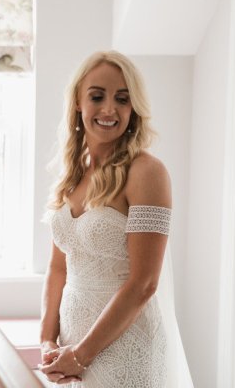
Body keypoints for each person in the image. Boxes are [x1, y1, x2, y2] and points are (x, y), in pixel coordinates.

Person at [39, 50, 188, 387]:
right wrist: (48, 339)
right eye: (97, 96)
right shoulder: (70, 175)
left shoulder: (147, 172)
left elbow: (144, 284)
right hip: (71, 348)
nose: (109, 109)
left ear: (133, 107)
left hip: (126, 347)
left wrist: (81, 356)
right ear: (78, 101)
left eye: (122, 99)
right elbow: (58, 267)